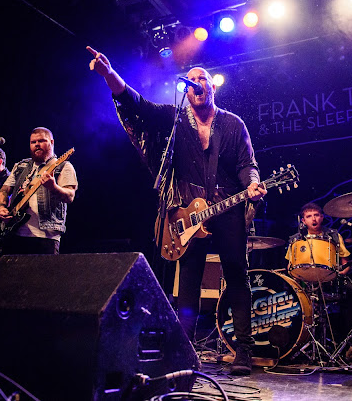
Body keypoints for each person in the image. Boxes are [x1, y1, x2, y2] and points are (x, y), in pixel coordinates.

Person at [87, 46, 267, 375]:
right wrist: (110, 75)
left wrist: (253, 184)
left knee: (236, 275)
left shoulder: (233, 124)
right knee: (188, 282)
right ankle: (185, 348)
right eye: (191, 79)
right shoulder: (174, 118)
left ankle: (243, 349)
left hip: (227, 208)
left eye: (202, 79)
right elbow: (137, 105)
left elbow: (247, 164)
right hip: (187, 211)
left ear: (213, 87)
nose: (196, 83)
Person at [0, 127, 77, 255]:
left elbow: (70, 196)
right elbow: (3, 191)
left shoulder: (63, 166)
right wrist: (1, 207)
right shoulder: (20, 166)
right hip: (15, 233)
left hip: (46, 237)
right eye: (33, 142)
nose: (37, 145)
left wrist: (53, 187)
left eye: (42, 141)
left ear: (52, 142)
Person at [285, 202, 351, 278]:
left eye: (316, 215)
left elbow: (345, 263)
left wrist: (341, 273)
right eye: (309, 216)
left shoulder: (334, 236)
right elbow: (290, 265)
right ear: (303, 221)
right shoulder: (296, 240)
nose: (313, 219)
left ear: (322, 217)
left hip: (329, 279)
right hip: (305, 280)